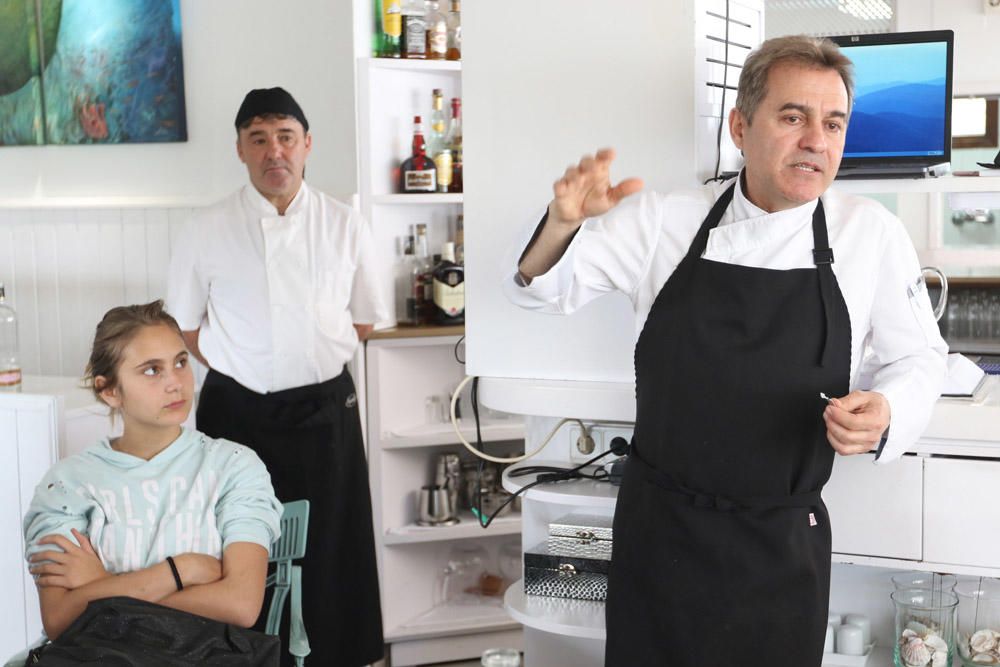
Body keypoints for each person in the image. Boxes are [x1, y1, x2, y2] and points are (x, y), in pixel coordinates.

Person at [506, 36, 947, 666]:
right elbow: (542, 290)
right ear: (741, 127)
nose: (816, 141)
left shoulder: (869, 232)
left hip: (780, 547)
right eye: (793, 117)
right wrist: (562, 223)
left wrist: (887, 408)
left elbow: (921, 358)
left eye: (833, 123)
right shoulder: (665, 221)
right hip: (660, 537)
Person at [166, 87, 387, 666]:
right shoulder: (204, 227)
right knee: (240, 548)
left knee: (333, 550)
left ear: (307, 145)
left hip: (325, 410)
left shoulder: (346, 223)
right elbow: (185, 327)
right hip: (236, 414)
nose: (274, 152)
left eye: (285, 137)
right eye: (258, 139)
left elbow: (364, 318)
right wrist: (246, 366)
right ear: (239, 149)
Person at [23, 300, 282, 659]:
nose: (176, 383)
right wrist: (181, 571)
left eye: (180, 362)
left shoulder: (234, 467)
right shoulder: (67, 486)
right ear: (109, 390)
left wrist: (102, 590)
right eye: (151, 371)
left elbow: (240, 604)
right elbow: (59, 619)